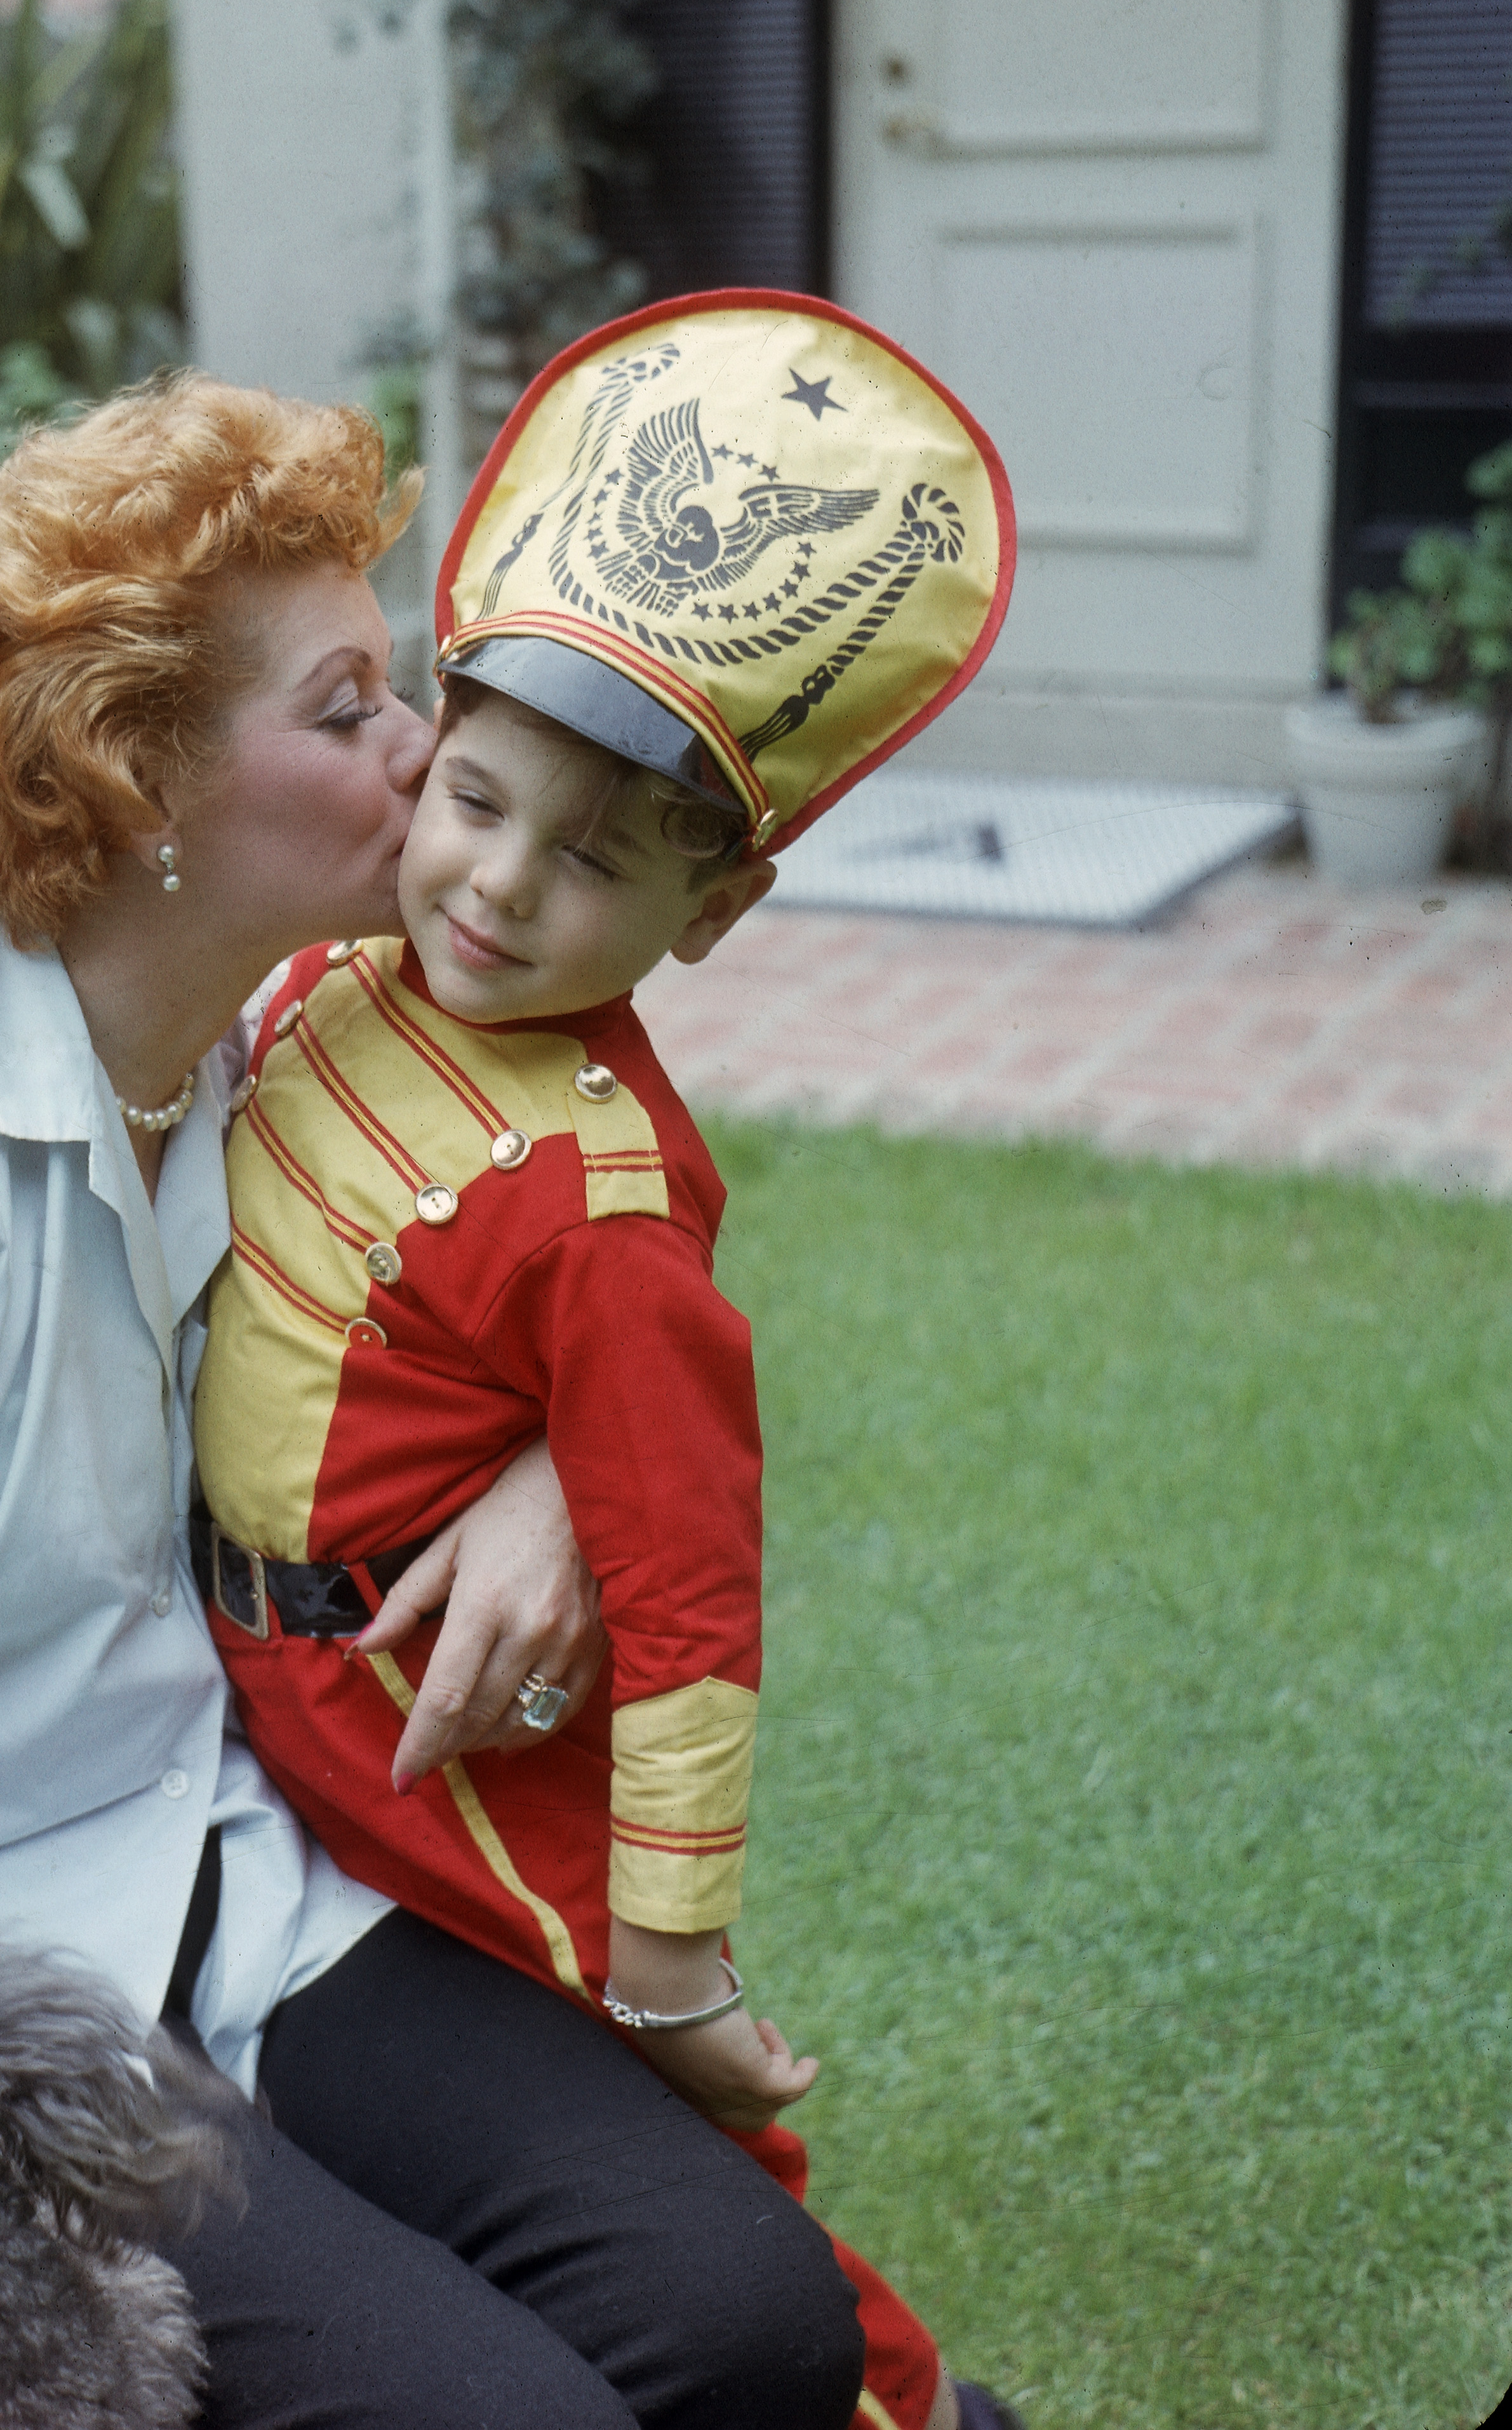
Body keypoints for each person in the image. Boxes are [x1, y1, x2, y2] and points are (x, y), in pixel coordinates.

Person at [0, 370, 869, 2428]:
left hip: (231, 1871)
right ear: (139, 783)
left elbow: (584, 1271)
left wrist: (553, 1472)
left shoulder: (262, 1051)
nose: (428, 757)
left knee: (753, 2322)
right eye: (346, 712)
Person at [189, 292, 1021, 2430]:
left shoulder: (601, 1199)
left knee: (661, 2129)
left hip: (441, 1746)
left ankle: (905, 2412)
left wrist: (670, 1950)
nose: (496, 887)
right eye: (473, 800)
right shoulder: (337, 972)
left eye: (596, 864)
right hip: (256, 1703)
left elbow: (683, 1590)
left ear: (712, 912)